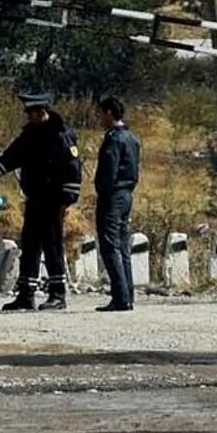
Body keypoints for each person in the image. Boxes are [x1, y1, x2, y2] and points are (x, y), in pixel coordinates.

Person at [0, 92, 81, 310]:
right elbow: (11, 157)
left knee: (52, 246)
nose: (28, 118)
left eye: (31, 114)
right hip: (35, 198)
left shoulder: (60, 135)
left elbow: (72, 170)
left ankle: (57, 295)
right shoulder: (30, 135)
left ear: (42, 112)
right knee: (31, 245)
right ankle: (26, 295)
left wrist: (67, 200)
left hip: (54, 200)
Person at [94, 96, 142, 311]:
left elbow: (109, 171)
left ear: (109, 114)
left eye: (101, 114)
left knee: (111, 245)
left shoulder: (114, 139)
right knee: (122, 245)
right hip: (127, 194)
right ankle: (127, 294)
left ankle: (120, 297)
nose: (99, 119)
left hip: (113, 196)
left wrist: (102, 191)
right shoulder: (132, 137)